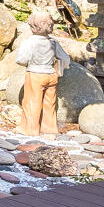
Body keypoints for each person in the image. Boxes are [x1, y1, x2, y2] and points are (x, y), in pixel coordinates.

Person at [13, 8, 65, 136]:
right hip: (51, 75)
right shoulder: (53, 42)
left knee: (32, 103)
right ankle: (49, 128)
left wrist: (30, 63)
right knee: (50, 104)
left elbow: (21, 59)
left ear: (33, 26)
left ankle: (30, 130)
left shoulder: (30, 42)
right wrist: (59, 70)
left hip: (35, 74)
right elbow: (65, 58)